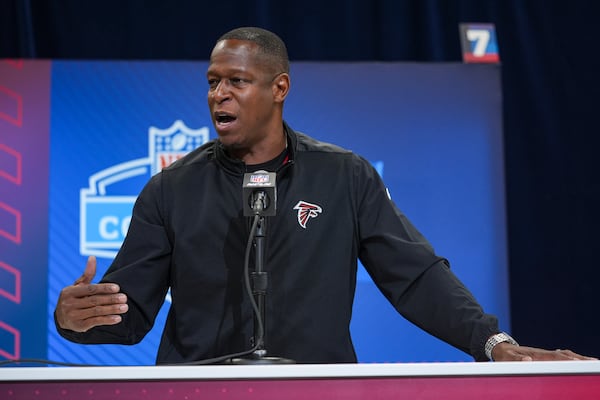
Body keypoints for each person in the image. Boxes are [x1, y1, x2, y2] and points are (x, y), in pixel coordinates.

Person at [55, 27, 593, 364]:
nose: (218, 94)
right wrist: (75, 319)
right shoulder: (170, 189)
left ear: (279, 88)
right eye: (213, 81)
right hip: (199, 389)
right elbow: (127, 312)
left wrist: (491, 343)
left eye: (237, 81)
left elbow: (416, 276)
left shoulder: (343, 176)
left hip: (316, 387)